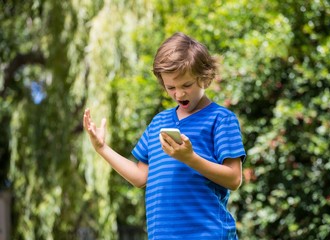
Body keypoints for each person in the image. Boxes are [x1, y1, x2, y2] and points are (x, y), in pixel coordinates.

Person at [83, 32, 246, 239]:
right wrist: (102, 148)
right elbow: (141, 177)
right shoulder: (159, 122)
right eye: (171, 87)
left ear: (204, 78)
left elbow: (234, 178)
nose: (179, 94)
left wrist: (190, 158)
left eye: (186, 85)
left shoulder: (221, 119)